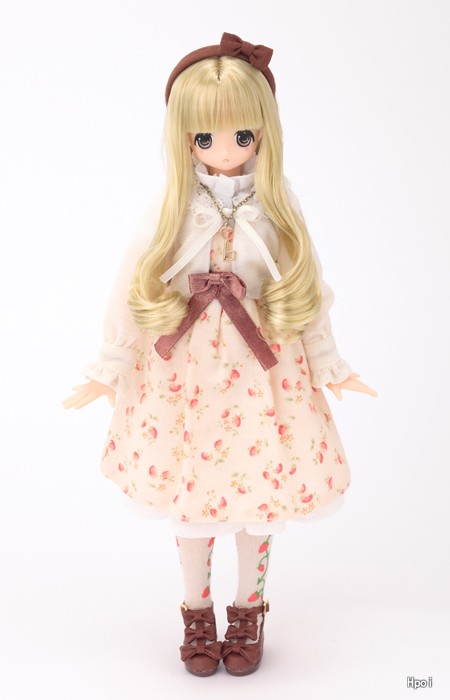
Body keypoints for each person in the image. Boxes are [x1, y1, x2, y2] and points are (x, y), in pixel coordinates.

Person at [64, 32, 377, 677]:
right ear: (184, 138)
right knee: (191, 499)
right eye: (205, 137)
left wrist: (328, 361)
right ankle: (196, 612)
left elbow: (308, 285)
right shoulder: (172, 206)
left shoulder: (275, 205)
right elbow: (131, 282)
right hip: (184, 373)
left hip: (262, 372)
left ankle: (249, 610)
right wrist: (111, 363)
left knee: (260, 494)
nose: (226, 150)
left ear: (264, 133)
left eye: (243, 135)